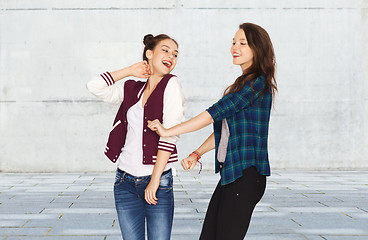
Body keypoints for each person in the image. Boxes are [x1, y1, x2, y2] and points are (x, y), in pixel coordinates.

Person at [147, 23, 277, 240]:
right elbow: (226, 131)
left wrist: (167, 131)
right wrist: (197, 153)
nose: (235, 47)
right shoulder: (244, 83)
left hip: (246, 175)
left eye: (242, 43)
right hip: (234, 174)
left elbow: (211, 115)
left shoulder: (255, 84)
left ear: (258, 48)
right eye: (234, 42)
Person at [86, 34, 185, 240]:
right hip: (124, 181)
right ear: (149, 54)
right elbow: (94, 86)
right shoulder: (132, 88)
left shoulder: (171, 85)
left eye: (175, 54)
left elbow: (171, 135)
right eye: (165, 50)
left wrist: (155, 180)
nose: (171, 57)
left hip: (157, 181)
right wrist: (130, 70)